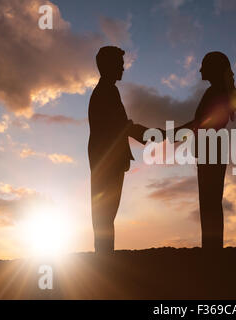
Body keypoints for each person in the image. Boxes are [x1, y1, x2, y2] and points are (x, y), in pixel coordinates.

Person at [88, 46, 148, 254]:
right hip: (107, 161)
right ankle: (104, 261)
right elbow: (122, 127)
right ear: (109, 66)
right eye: (120, 64)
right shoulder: (107, 91)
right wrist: (157, 135)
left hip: (105, 160)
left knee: (105, 215)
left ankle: (105, 258)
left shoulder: (107, 90)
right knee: (105, 215)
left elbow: (121, 126)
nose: (123, 68)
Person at [177, 52, 236, 251]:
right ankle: (213, 249)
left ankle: (212, 251)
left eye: (204, 66)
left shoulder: (215, 92)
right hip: (213, 148)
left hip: (212, 149)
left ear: (213, 69)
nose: (200, 70)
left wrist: (169, 134)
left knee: (209, 203)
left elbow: (200, 124)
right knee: (211, 202)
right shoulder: (218, 92)